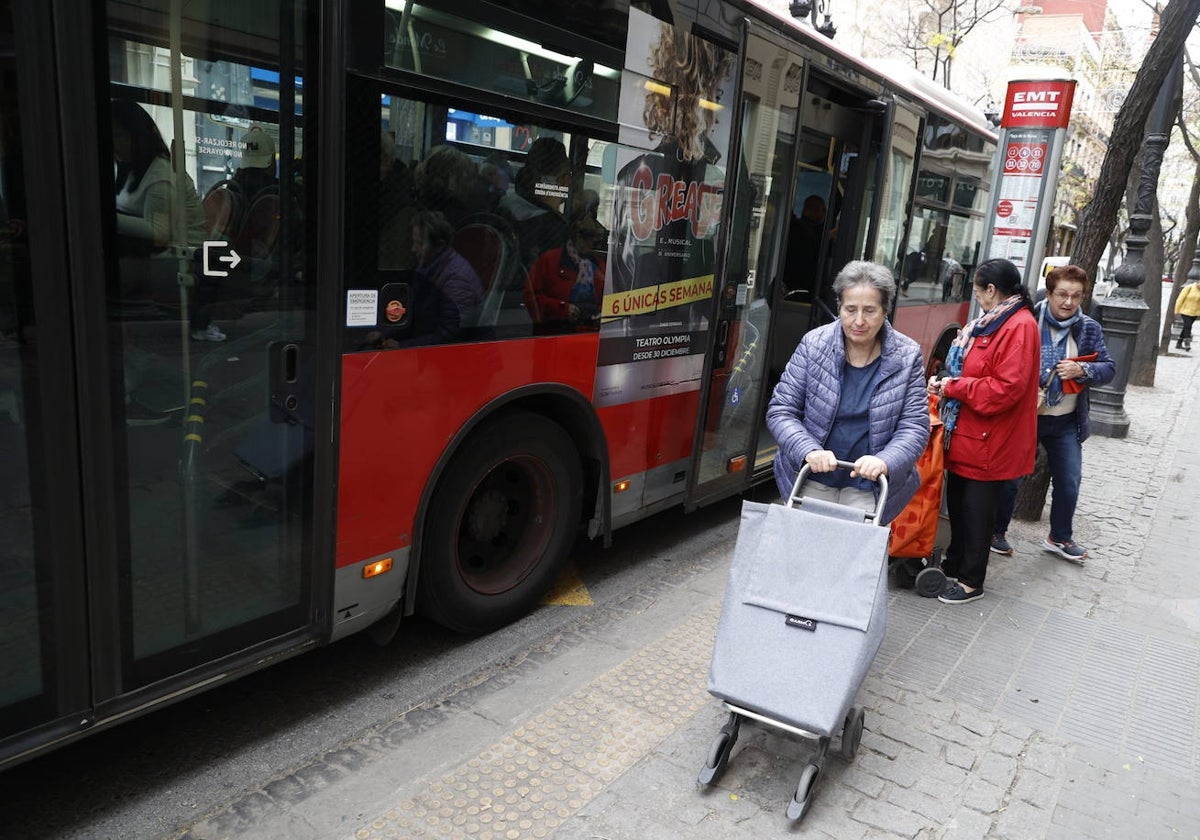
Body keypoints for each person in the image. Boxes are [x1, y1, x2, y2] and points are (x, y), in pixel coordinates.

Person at [766, 260, 930, 524]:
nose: (859, 321)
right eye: (850, 309)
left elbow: (914, 427)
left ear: (885, 310)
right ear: (839, 307)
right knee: (803, 558)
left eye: (870, 311)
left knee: (854, 560)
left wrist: (885, 462)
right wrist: (808, 450)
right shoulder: (813, 345)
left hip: (869, 485)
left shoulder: (907, 355)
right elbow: (781, 411)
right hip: (811, 477)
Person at [927, 258, 1039, 604]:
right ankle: (954, 564)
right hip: (972, 434)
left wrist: (954, 387)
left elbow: (1005, 389)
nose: (977, 298)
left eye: (977, 291)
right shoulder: (996, 320)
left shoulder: (1018, 326)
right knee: (960, 506)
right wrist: (947, 384)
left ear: (991, 289)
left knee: (976, 512)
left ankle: (971, 581)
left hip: (991, 439)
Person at [989, 263, 1116, 563]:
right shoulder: (1027, 319)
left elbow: (1108, 368)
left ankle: (1059, 537)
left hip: (1065, 421)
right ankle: (996, 532)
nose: (1068, 302)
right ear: (1049, 292)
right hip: (1026, 417)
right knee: (1011, 479)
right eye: (1062, 294)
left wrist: (1082, 368)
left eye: (1076, 296)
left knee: (1070, 480)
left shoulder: (1088, 328)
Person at [111, 100, 221, 341]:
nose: (114, 143)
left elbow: (160, 233)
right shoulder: (130, 171)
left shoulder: (159, 175)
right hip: (154, 257)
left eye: (119, 135)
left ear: (136, 135)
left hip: (176, 260)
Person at [524, 211, 607, 328]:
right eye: (595, 243)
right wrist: (562, 308)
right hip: (554, 331)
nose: (598, 248)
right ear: (579, 238)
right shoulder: (550, 259)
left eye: (601, 243)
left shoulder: (599, 265)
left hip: (589, 332)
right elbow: (530, 297)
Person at [1174, 276, 1200, 351]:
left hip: (1195, 312)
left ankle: (1178, 343)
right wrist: (1177, 311)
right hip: (1185, 311)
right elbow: (1180, 299)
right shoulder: (1190, 287)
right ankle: (1187, 344)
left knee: (1186, 327)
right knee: (1188, 326)